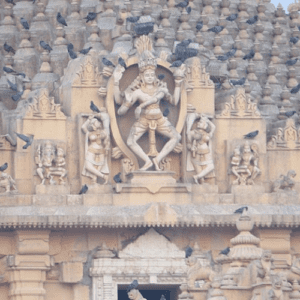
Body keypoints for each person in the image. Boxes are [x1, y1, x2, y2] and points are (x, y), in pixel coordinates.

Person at [113, 45, 184, 171]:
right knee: (130, 141)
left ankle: (158, 158)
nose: (150, 77)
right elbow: (120, 111)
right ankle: (147, 161)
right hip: (144, 119)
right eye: (147, 75)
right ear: (142, 77)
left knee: (176, 137)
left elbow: (174, 101)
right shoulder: (138, 92)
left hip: (160, 119)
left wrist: (178, 84)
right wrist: (117, 84)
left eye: (152, 74)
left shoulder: (161, 88)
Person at [187, 115, 216, 184]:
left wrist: (207, 119)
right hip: (196, 154)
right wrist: (191, 147)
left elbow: (213, 127)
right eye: (199, 122)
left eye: (202, 122)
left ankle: (197, 177)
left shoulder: (207, 134)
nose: (199, 123)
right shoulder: (193, 132)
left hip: (206, 153)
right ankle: (200, 180)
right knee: (198, 168)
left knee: (211, 166)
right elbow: (188, 144)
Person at [81, 115, 110, 184]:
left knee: (98, 168)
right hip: (91, 150)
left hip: (101, 151)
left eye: (98, 122)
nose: (98, 123)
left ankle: (95, 179)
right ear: (93, 124)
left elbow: (107, 138)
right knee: (88, 166)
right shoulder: (89, 132)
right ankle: (103, 176)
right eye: (96, 122)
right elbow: (83, 127)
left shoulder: (103, 132)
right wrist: (89, 119)